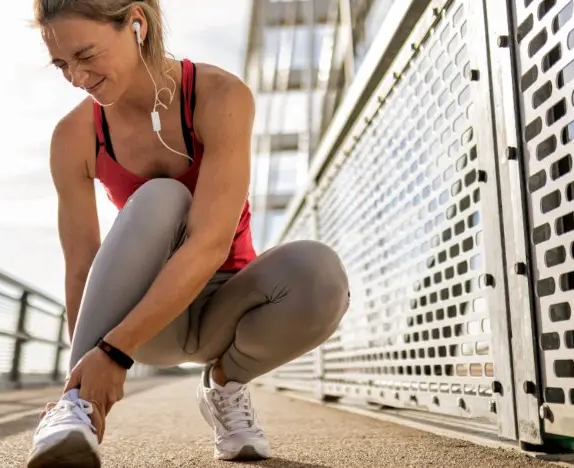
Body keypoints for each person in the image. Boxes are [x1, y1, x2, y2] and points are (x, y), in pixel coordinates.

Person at [28, 1, 350, 466]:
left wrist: (114, 354)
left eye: (86, 55)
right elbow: (82, 267)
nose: (76, 78)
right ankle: (72, 409)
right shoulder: (74, 136)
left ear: (135, 23)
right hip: (148, 320)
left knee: (320, 273)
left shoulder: (220, 95)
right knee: (163, 197)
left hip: (229, 307)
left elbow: (210, 242)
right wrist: (85, 371)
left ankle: (225, 385)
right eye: (61, 64)